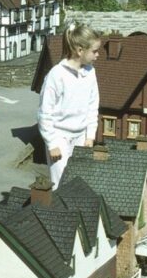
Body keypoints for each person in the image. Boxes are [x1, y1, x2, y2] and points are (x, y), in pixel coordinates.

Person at [37, 24, 101, 188]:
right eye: (94, 51)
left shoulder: (90, 72)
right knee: (60, 184)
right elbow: (45, 113)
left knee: (78, 183)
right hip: (60, 137)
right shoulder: (56, 75)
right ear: (80, 50)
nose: (97, 55)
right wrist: (52, 143)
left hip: (80, 136)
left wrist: (90, 136)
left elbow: (93, 106)